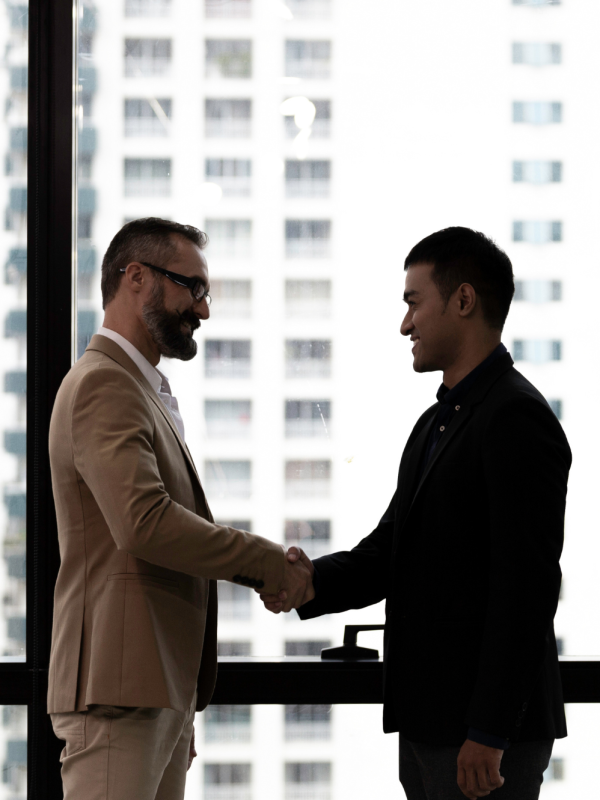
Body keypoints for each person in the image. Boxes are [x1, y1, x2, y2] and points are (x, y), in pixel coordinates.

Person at [259, 227, 571, 800]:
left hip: (481, 740)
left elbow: (525, 590)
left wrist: (489, 730)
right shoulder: (437, 423)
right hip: (432, 726)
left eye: (412, 302)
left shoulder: (516, 419)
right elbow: (390, 550)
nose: (405, 325)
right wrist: (310, 582)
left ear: (463, 300)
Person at [47, 217, 313, 800]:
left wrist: (180, 701)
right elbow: (145, 523)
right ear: (136, 277)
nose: (204, 309)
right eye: (192, 287)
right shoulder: (104, 385)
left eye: (205, 293)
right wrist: (270, 564)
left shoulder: (142, 390)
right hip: (120, 693)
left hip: (153, 691)